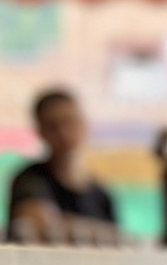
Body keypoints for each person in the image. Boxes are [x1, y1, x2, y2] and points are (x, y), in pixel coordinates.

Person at [7, 88, 118, 243]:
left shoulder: (101, 194)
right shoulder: (30, 180)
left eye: (69, 121)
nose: (63, 133)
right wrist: (99, 232)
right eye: (53, 126)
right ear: (41, 132)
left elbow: (117, 239)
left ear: (84, 123)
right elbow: (38, 226)